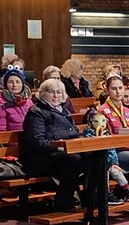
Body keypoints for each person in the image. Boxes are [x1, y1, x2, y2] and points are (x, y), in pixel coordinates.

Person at [21, 79, 85, 213]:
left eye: (59, 92)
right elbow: (37, 141)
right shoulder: (36, 112)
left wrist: (83, 143)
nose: (56, 96)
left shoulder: (65, 112)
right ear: (43, 94)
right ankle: (63, 201)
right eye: (51, 92)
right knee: (73, 160)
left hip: (64, 153)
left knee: (95, 156)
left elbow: (75, 133)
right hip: (42, 157)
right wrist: (60, 147)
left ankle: (92, 197)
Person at [82, 112, 129, 205]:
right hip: (97, 164)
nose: (101, 124)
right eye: (97, 121)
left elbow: (112, 150)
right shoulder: (88, 135)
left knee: (116, 172)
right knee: (105, 172)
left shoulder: (107, 134)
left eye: (103, 121)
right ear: (90, 122)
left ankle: (127, 190)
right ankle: (106, 193)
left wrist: (114, 163)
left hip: (109, 161)